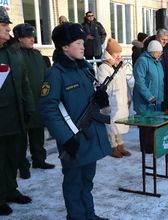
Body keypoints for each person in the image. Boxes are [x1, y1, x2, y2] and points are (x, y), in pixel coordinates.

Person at [39, 22, 110, 220]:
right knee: (73, 184)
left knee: (87, 181)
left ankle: (89, 215)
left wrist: (100, 99)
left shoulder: (85, 68)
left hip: (90, 136)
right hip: (73, 140)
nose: (83, 46)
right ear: (64, 47)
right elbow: (48, 109)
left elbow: (90, 99)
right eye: (78, 43)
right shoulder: (55, 74)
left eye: (83, 43)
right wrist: (66, 138)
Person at [0, 6, 35, 216]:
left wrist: (29, 107)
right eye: (4, 26)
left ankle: (11, 190)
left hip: (16, 114)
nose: (8, 30)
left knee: (14, 155)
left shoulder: (13, 50)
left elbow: (25, 82)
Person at [13, 23, 55, 180]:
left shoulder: (38, 56)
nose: (32, 39)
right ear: (19, 38)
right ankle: (23, 166)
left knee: (38, 133)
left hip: (39, 101)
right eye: (28, 36)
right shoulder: (14, 55)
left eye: (33, 36)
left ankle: (39, 159)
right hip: (22, 104)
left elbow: (46, 77)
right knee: (21, 139)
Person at [97, 38, 131, 158]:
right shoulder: (104, 67)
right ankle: (112, 147)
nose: (118, 56)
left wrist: (127, 97)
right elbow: (102, 86)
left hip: (121, 101)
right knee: (111, 126)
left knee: (119, 124)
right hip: (112, 102)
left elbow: (124, 84)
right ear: (110, 54)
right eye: (116, 54)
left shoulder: (119, 67)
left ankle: (120, 145)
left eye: (119, 54)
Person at [133, 40, 164, 153]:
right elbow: (139, 81)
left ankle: (152, 144)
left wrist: (159, 97)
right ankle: (146, 147)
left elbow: (159, 81)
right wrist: (149, 96)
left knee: (153, 122)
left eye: (160, 52)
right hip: (144, 99)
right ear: (151, 51)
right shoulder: (142, 61)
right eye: (158, 52)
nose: (160, 54)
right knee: (145, 123)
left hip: (155, 99)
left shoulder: (157, 61)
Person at [145, 29, 168, 111]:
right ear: (157, 38)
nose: (165, 42)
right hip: (154, 85)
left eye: (166, 40)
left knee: (165, 112)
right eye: (163, 39)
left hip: (166, 83)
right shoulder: (150, 47)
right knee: (156, 114)